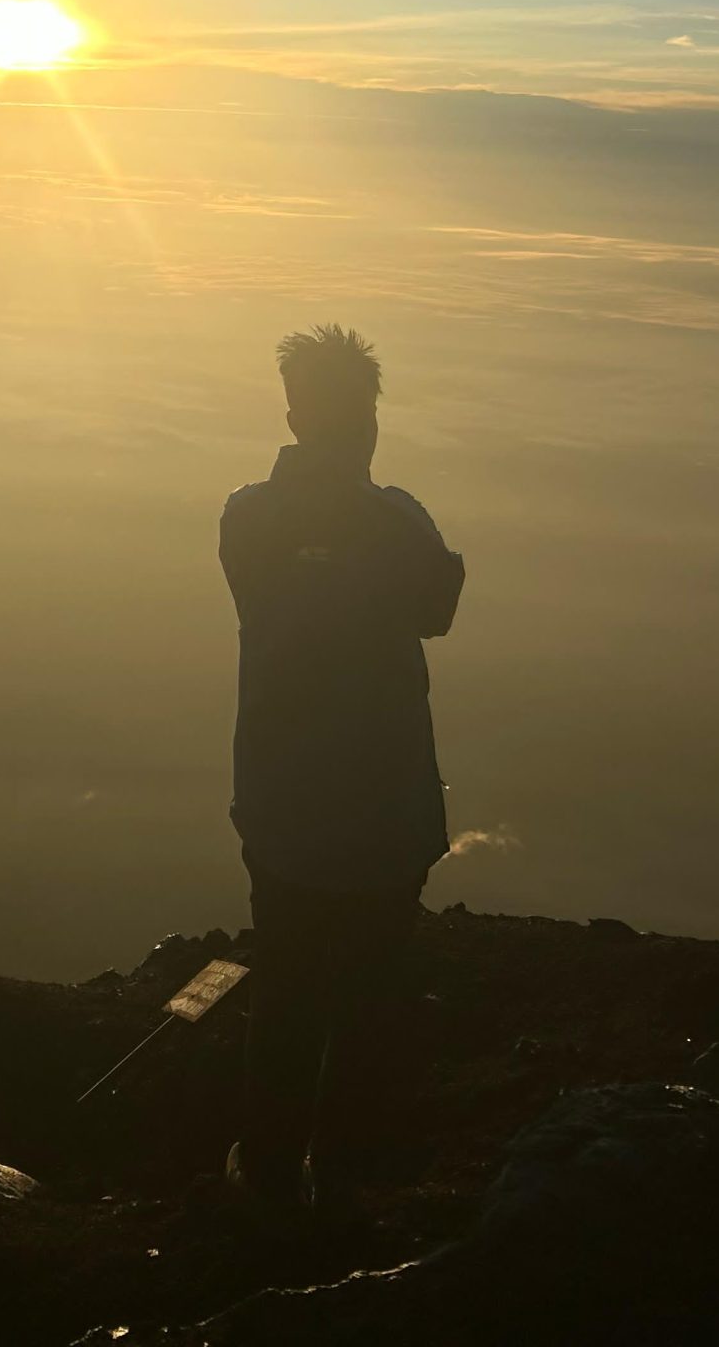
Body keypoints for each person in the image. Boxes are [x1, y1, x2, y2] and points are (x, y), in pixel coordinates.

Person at [218, 324, 463, 1222]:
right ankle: (350, 1174)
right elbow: (439, 606)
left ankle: (272, 1173)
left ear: (293, 413)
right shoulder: (397, 520)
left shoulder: (245, 517)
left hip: (281, 804)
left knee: (285, 985)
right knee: (370, 991)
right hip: (385, 810)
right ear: (367, 422)